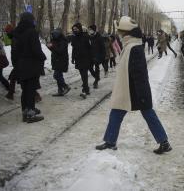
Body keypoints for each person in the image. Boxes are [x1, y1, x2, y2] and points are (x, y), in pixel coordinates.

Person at [96, 16, 172, 154]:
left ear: (126, 33)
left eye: (121, 31)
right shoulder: (130, 46)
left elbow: (140, 74)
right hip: (129, 89)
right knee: (117, 113)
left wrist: (142, 95)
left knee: (147, 114)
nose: (119, 33)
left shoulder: (133, 48)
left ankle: (163, 142)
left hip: (134, 91)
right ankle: (110, 141)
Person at [13, 12, 46, 123]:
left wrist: (16, 64)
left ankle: (25, 111)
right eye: (33, 19)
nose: (34, 21)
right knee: (31, 90)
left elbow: (14, 51)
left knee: (25, 90)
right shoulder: (32, 32)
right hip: (31, 64)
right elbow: (36, 49)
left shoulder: (17, 32)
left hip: (20, 65)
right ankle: (30, 114)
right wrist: (43, 57)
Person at [47, 28, 70, 96]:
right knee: (59, 75)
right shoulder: (55, 41)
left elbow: (60, 51)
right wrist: (49, 47)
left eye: (53, 35)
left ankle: (65, 86)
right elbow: (54, 50)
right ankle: (60, 90)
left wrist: (52, 47)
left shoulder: (63, 41)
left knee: (56, 75)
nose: (52, 36)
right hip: (56, 60)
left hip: (61, 61)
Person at [71, 23, 93, 97]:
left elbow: (90, 48)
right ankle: (86, 88)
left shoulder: (86, 36)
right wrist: (73, 58)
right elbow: (74, 49)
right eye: (74, 30)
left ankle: (85, 90)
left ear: (79, 29)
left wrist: (91, 58)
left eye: (76, 29)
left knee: (84, 74)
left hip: (85, 58)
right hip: (78, 59)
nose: (75, 31)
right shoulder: (74, 38)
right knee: (82, 74)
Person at [88, 25, 105, 89]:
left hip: (97, 56)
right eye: (89, 29)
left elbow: (103, 48)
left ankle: (96, 82)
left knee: (97, 68)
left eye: (91, 29)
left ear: (94, 30)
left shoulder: (99, 37)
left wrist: (102, 57)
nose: (90, 31)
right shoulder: (89, 37)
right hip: (90, 56)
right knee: (90, 67)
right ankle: (97, 77)